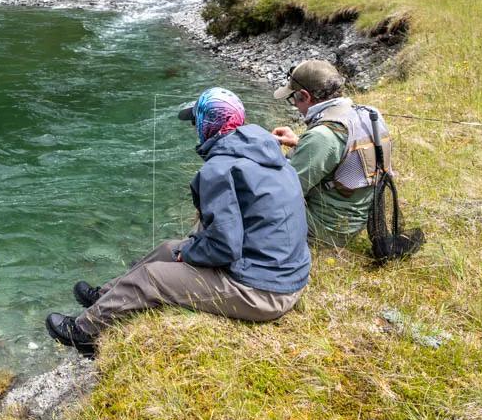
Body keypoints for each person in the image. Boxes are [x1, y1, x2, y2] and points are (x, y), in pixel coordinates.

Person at [45, 87, 311, 355]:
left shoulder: (218, 169)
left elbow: (224, 248)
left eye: (197, 121)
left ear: (209, 124)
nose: (195, 127)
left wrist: (190, 253)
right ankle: (106, 295)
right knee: (168, 248)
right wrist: (187, 250)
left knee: (152, 278)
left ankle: (83, 332)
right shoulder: (263, 151)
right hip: (283, 274)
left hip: (263, 293)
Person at [271, 60, 392, 247]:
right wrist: (299, 142)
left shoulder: (322, 136)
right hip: (354, 221)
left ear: (305, 95)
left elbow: (285, 193)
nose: (295, 105)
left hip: (325, 231)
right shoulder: (369, 114)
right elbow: (345, 156)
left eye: (294, 99)